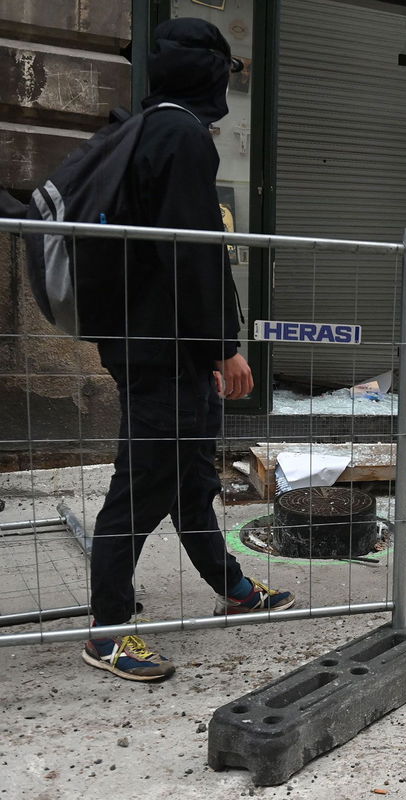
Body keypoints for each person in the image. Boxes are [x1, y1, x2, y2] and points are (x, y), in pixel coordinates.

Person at [83, 18, 294, 682]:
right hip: (165, 353)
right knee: (141, 492)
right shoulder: (179, 137)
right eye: (228, 72)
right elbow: (192, 258)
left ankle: (232, 589)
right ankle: (108, 631)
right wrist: (222, 349)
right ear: (208, 73)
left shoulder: (144, 127)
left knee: (191, 483)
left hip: (154, 347)